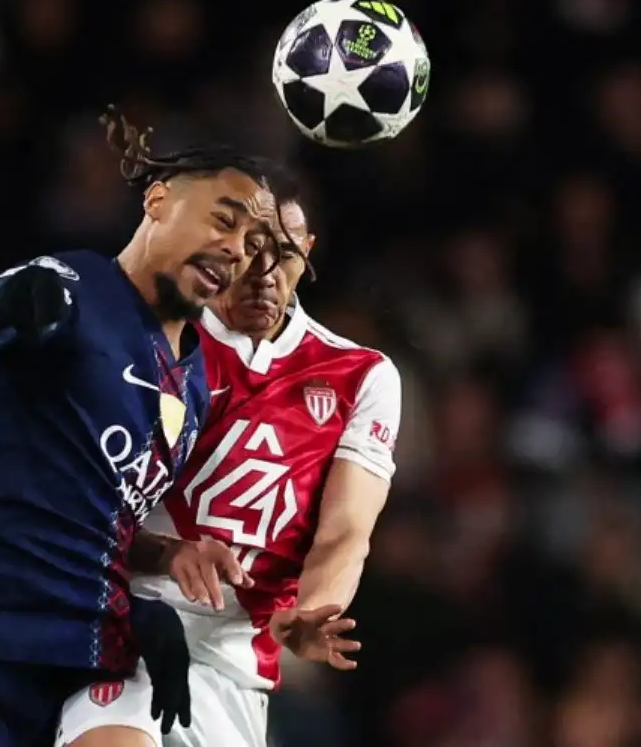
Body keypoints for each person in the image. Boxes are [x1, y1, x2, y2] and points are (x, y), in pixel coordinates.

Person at [0, 109, 289, 747]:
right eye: (225, 220)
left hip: (56, 674)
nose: (235, 250)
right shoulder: (73, 285)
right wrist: (0, 303)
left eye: (252, 245)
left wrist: (170, 556)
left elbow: (95, 519)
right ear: (158, 201)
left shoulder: (191, 385)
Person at [58, 195, 401, 747]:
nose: (265, 273)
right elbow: (86, 504)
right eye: (251, 249)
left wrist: (311, 609)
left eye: (285, 253)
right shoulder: (160, 341)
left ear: (308, 254)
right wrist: (166, 556)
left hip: (235, 662)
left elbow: (345, 531)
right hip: (128, 623)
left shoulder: (360, 376)